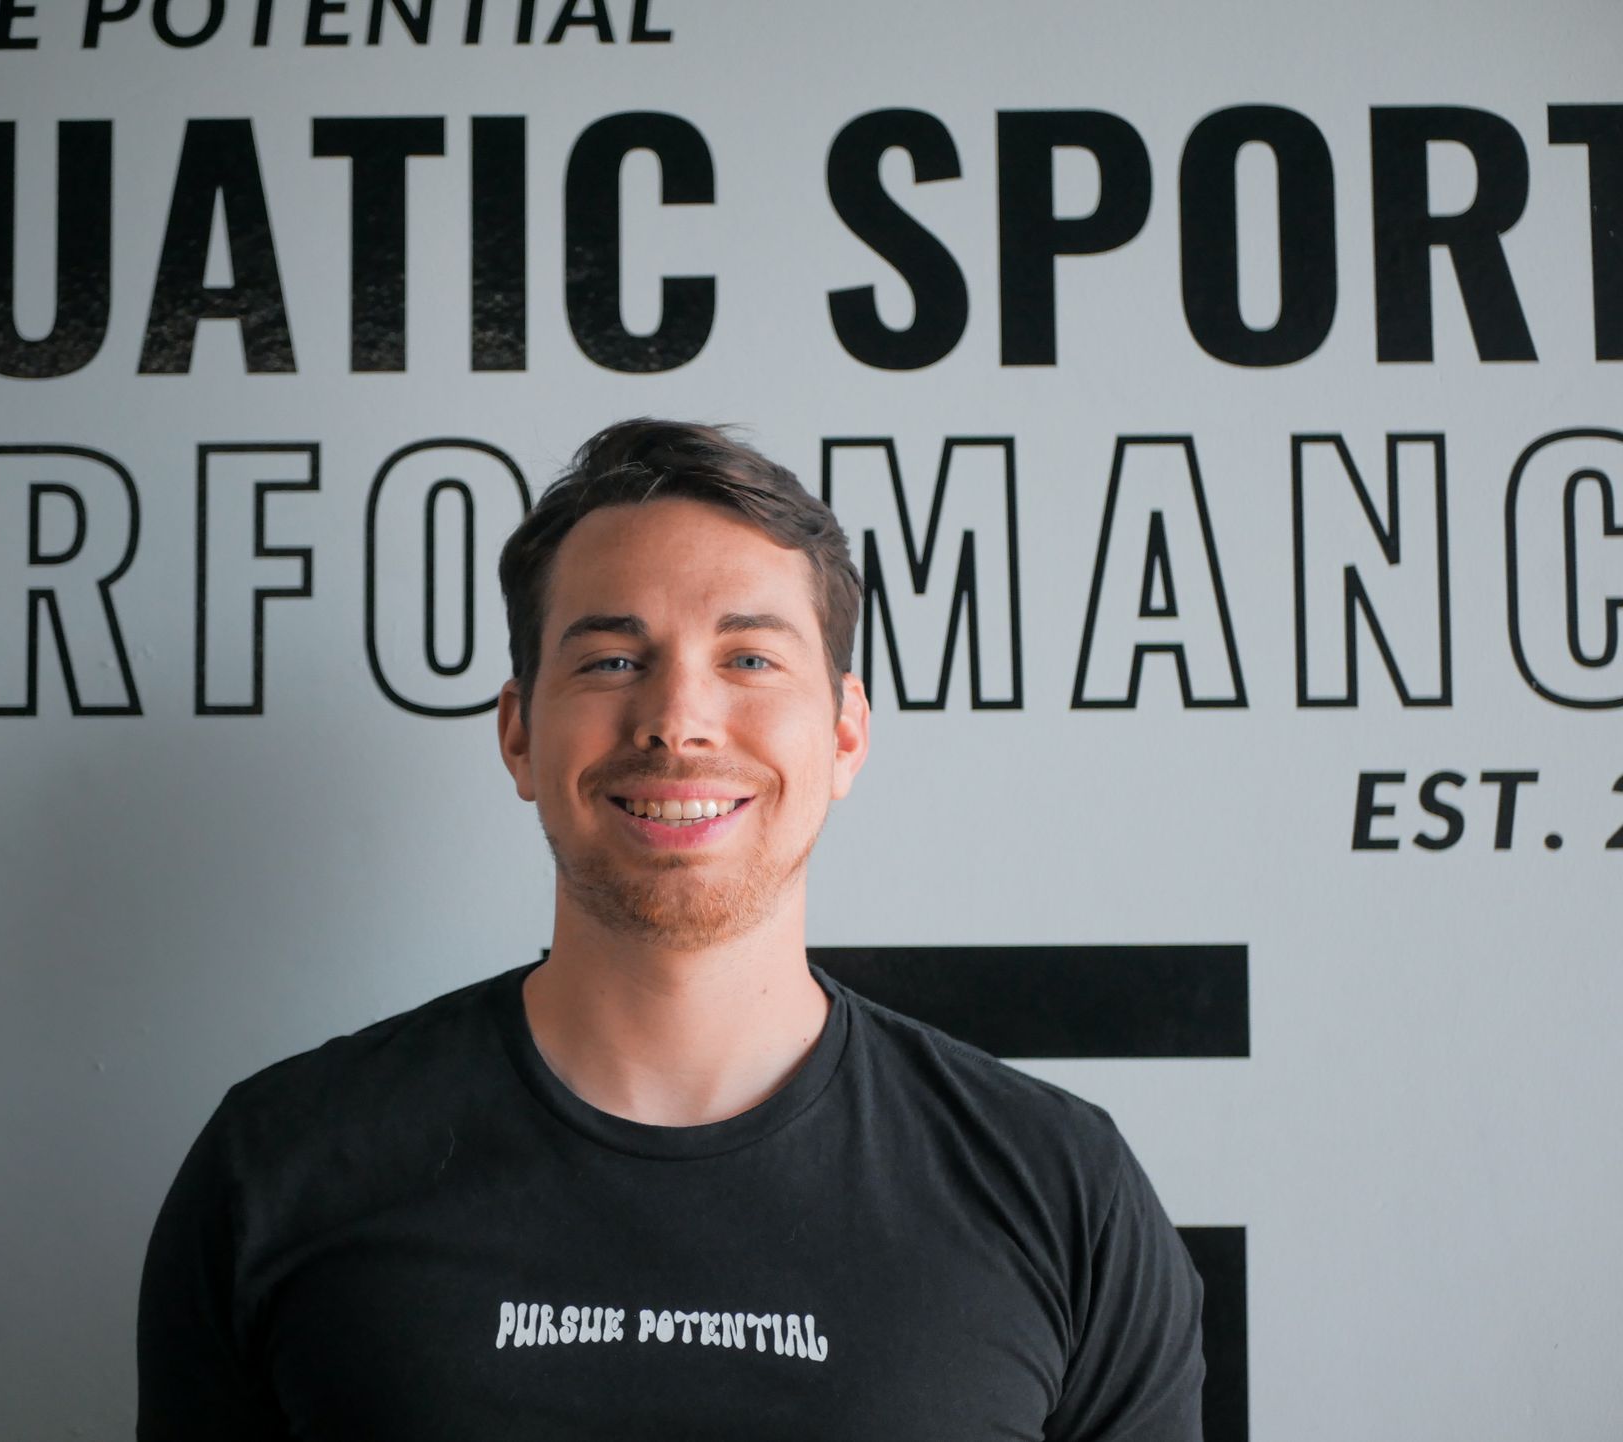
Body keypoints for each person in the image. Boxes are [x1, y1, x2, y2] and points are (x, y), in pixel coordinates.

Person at [136, 418, 1206, 1439]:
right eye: (610, 660)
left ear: (844, 731)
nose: (678, 719)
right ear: (518, 732)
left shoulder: (1062, 1188)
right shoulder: (280, 1165)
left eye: (748, 659)